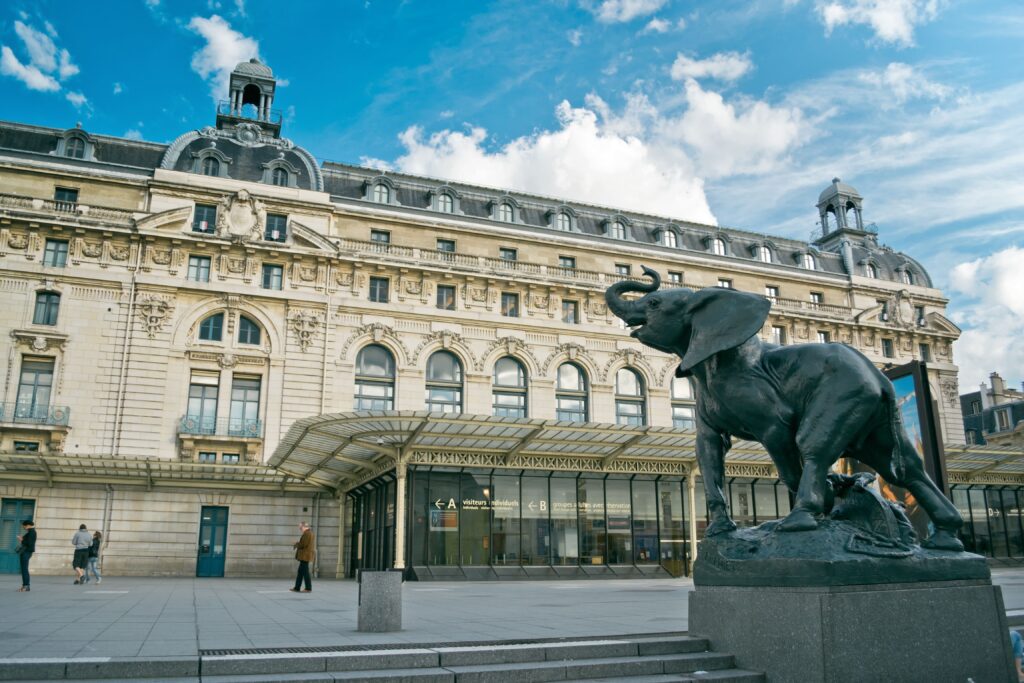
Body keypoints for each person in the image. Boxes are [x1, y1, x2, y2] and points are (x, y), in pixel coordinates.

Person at [290, 521, 314, 593]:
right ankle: (297, 587)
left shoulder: (307, 534)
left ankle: (308, 588)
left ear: (304, 526)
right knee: (300, 572)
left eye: (300, 527)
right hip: (305, 555)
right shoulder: (310, 533)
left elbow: (303, 545)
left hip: (305, 556)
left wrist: (296, 543)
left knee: (305, 572)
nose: (300, 528)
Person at [16, 519, 35, 592]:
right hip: (27, 552)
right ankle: (25, 586)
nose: (23, 527)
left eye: (24, 525)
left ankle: (26, 586)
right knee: (24, 569)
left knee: (24, 569)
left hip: (26, 552)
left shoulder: (31, 532)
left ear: (27, 525)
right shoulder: (31, 532)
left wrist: (21, 539)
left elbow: (29, 544)